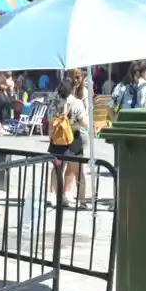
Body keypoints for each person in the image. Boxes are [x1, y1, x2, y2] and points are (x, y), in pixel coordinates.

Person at [50, 77, 90, 207]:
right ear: (73, 88)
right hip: (73, 139)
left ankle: (55, 196)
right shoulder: (77, 103)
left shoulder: (54, 102)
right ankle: (82, 200)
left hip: (57, 139)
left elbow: (50, 121)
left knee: (57, 170)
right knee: (78, 171)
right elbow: (84, 123)